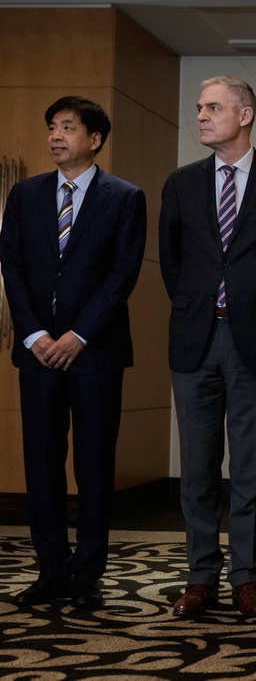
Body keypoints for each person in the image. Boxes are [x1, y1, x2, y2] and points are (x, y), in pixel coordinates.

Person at [158, 76, 256, 617]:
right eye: (200, 107)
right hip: (194, 338)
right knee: (198, 468)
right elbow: (171, 261)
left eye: (214, 107)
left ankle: (247, 577)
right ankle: (201, 576)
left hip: (254, 339)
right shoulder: (180, 183)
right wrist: (201, 303)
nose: (201, 115)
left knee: (247, 468)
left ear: (244, 115)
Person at [0, 96, 146, 608]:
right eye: (52, 127)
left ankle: (87, 576)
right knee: (42, 465)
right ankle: (50, 573)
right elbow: (12, 269)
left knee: (94, 468)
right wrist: (34, 334)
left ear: (95, 138)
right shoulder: (24, 195)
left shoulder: (125, 197)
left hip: (95, 353)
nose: (55, 136)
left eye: (67, 127)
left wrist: (78, 335)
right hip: (36, 352)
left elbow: (123, 272)